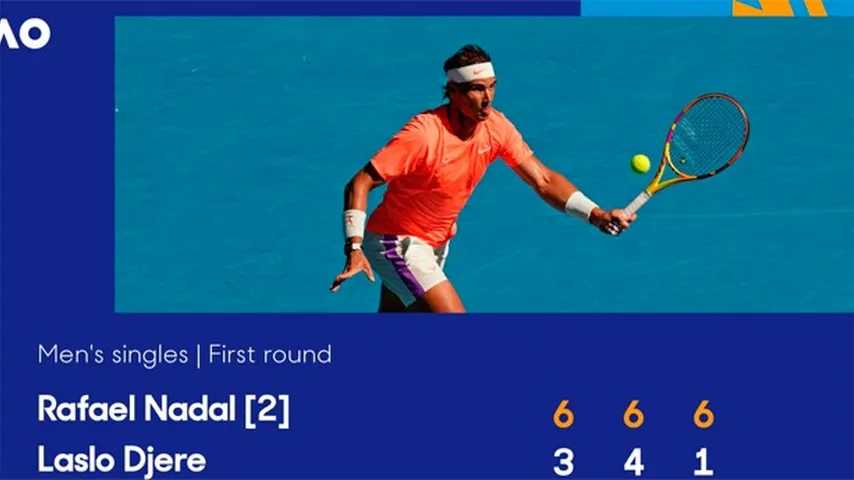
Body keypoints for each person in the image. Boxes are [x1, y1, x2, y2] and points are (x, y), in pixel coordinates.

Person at [330, 44, 635, 313]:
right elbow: (360, 183)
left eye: (492, 87)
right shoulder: (423, 135)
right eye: (477, 89)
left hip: (436, 242)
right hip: (396, 242)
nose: (487, 98)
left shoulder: (495, 126)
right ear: (452, 92)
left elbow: (542, 179)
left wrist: (595, 214)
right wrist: (354, 248)